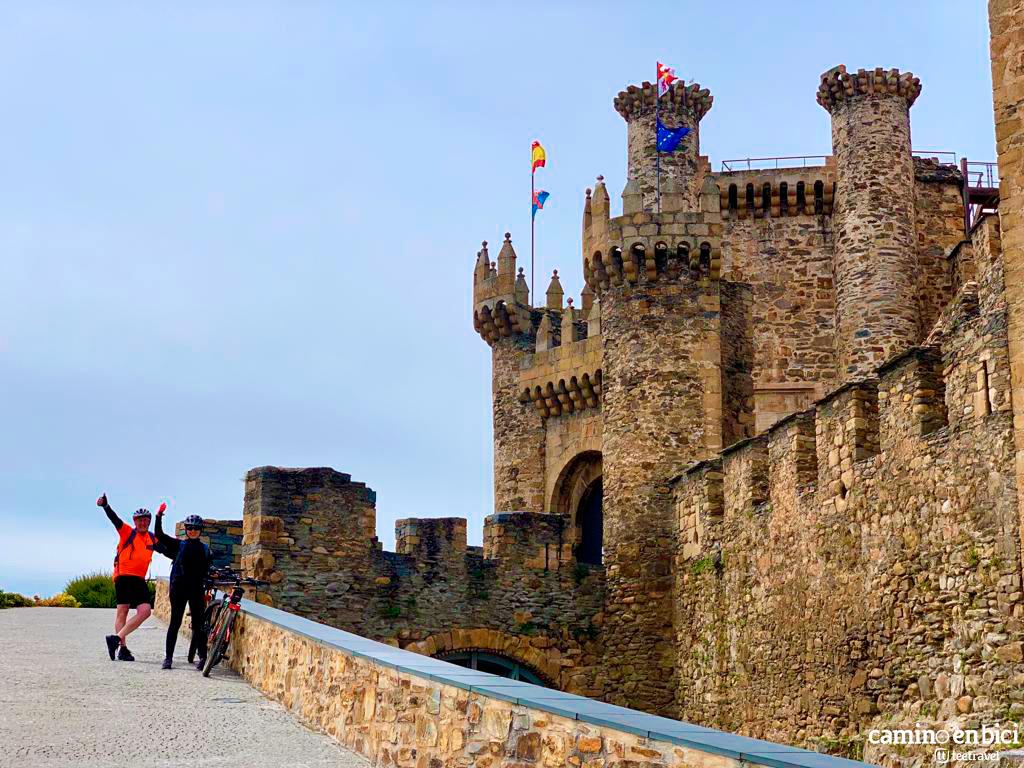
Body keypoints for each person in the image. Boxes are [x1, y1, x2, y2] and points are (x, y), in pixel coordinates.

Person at [97, 493, 163, 661]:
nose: (143, 522)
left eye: (146, 520)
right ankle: (123, 649)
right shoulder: (127, 532)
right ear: (135, 521)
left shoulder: (152, 538)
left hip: (139, 579)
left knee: (145, 611)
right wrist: (106, 506)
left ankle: (115, 639)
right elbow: (115, 519)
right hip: (123, 577)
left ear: (149, 522)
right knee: (122, 612)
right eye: (140, 520)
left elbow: (167, 548)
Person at [152, 510, 211, 670]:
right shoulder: (179, 544)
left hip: (196, 589)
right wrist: (158, 517)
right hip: (179, 589)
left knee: (199, 624)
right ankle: (168, 658)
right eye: (190, 528)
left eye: (196, 528)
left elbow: (207, 569)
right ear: (186, 529)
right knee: (175, 623)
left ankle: (203, 658)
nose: (193, 531)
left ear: (200, 530)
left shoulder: (205, 549)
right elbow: (159, 534)